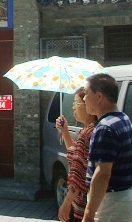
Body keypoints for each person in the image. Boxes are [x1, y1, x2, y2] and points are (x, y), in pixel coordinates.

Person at [82, 73, 132, 222]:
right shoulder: (123, 118)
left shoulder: (105, 127)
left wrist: (89, 213)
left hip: (110, 203)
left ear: (99, 96)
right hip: (122, 197)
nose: (84, 99)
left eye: (86, 93)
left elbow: (103, 173)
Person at [55, 88, 97, 222]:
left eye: (77, 103)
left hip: (86, 205)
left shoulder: (89, 133)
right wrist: (65, 131)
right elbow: (75, 154)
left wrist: (66, 203)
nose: (73, 107)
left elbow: (78, 174)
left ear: (88, 105)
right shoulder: (87, 130)